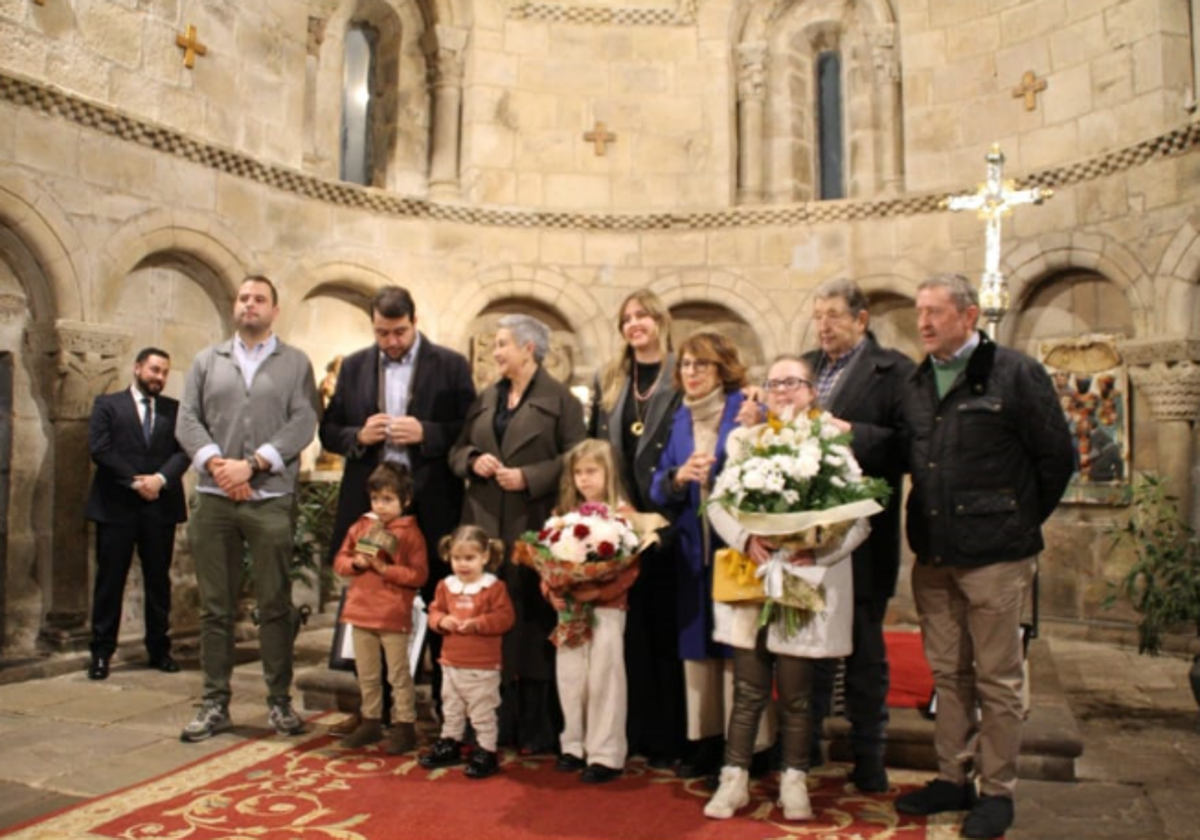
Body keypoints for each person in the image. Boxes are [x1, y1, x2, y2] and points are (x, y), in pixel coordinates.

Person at [895, 274, 1073, 840]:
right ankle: (952, 776)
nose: (923, 322)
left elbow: (1056, 459)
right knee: (949, 674)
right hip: (936, 553)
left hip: (995, 556)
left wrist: (1015, 523)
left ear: (969, 316)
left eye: (935, 312)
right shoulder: (919, 381)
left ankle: (997, 790)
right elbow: (909, 454)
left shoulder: (1015, 373)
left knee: (997, 679)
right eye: (920, 312)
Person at [705, 355, 871, 820]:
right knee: (749, 686)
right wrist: (747, 537)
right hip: (756, 576)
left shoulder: (833, 444)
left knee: (797, 692)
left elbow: (858, 519)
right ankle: (733, 779)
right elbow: (719, 504)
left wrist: (816, 554)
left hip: (802, 576)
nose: (782, 391)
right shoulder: (745, 440)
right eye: (774, 383)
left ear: (812, 391)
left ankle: (794, 780)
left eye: (793, 382)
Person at [319, 285, 476, 728]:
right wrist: (358, 437)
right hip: (375, 506)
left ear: (415, 321)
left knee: (436, 600)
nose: (390, 342)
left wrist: (427, 431)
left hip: (431, 503)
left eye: (399, 332)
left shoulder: (449, 364)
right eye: (382, 333)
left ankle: (450, 711)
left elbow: (470, 427)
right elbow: (329, 429)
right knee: (376, 604)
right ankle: (381, 711)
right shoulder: (352, 366)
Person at [175, 275, 321, 742]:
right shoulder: (207, 360)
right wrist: (219, 466)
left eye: (259, 299)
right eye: (243, 298)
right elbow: (188, 419)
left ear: (274, 310)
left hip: (270, 498)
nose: (249, 305)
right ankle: (215, 702)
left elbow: (304, 421)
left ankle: (279, 701)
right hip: (215, 499)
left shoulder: (295, 363)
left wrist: (254, 465)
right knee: (215, 609)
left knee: (275, 605)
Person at [449, 314, 587, 755]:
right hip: (484, 523)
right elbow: (456, 449)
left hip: (532, 523)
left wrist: (530, 476)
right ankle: (490, 722)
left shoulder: (562, 400)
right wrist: (473, 459)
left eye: (503, 343)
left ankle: (535, 726)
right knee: (485, 616)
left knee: (529, 620)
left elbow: (579, 460)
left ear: (529, 348)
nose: (496, 351)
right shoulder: (487, 396)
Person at [802, 278, 915, 791]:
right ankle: (807, 746)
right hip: (807, 539)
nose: (823, 325)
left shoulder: (894, 372)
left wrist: (854, 434)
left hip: (864, 537)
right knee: (812, 647)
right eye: (818, 315)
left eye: (833, 315)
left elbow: (911, 445)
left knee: (864, 651)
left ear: (861, 319)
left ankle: (869, 753)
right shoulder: (803, 369)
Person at [649, 331, 772, 780]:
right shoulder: (679, 419)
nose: (692, 373)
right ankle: (704, 742)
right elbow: (657, 483)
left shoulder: (745, 408)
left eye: (701, 364)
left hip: (735, 549)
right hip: (691, 551)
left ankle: (752, 745)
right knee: (697, 649)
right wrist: (679, 477)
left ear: (722, 368)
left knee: (737, 648)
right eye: (685, 364)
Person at [591, 289, 686, 769]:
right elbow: (597, 448)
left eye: (643, 314)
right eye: (627, 318)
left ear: (660, 321)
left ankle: (670, 737)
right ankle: (633, 733)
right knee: (630, 633)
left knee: (668, 630)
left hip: (672, 520)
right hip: (623, 522)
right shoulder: (610, 380)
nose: (635, 324)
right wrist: (613, 504)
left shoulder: (682, 373)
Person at [85, 347, 190, 680]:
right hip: (117, 506)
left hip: (160, 506)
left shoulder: (175, 410)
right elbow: (100, 448)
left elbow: (185, 450)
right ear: (138, 368)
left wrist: (159, 480)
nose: (159, 377)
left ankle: (159, 649)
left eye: (164, 372)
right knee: (109, 582)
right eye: (154, 370)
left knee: (158, 582)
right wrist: (135, 481)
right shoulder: (108, 405)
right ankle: (101, 652)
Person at [545, 439, 640, 784]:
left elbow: (629, 569)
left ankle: (606, 753)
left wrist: (598, 590)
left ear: (608, 472)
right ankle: (573, 745)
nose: (584, 479)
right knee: (571, 678)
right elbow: (548, 562)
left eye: (592, 471)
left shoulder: (622, 515)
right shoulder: (563, 517)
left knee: (605, 678)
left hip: (606, 608)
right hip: (569, 609)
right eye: (579, 472)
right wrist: (552, 591)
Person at [332, 463, 428, 754]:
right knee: (368, 675)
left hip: (392, 615)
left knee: (397, 675)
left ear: (405, 500)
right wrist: (355, 563)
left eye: (388, 499)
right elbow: (340, 561)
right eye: (376, 499)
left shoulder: (410, 533)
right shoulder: (362, 526)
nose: (381, 506)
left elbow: (418, 575)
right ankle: (371, 721)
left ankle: (405, 725)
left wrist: (385, 568)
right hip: (360, 612)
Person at [420, 525, 515, 779]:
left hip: (481, 665)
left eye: (469, 558)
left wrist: (479, 623)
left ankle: (486, 749)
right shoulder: (445, 585)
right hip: (451, 661)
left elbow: (505, 618)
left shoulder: (493, 588)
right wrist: (441, 621)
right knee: (451, 706)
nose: (462, 564)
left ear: (484, 557)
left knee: (482, 710)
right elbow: (434, 611)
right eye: (457, 558)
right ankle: (450, 741)